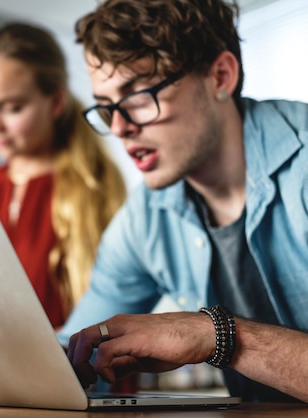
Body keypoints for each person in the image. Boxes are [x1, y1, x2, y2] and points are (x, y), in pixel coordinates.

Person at [59, 0, 308, 403]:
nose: (120, 128)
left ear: (220, 76)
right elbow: (76, 349)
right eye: (106, 107)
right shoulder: (144, 218)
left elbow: (208, 334)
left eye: (138, 95)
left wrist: (215, 335)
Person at [0, 22, 127, 331]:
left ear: (54, 103)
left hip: (78, 369)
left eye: (11, 108)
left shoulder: (94, 181)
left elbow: (112, 305)